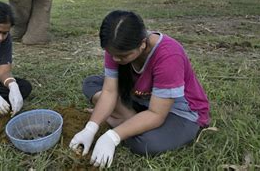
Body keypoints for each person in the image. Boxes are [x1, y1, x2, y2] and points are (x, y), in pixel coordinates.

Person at [69, 10, 210, 168]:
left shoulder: (169, 56)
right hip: (142, 96)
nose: (115, 59)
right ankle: (131, 120)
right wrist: (91, 127)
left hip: (177, 111)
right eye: (112, 54)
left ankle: (122, 120)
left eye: (123, 56)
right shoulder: (116, 47)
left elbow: (157, 114)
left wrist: (112, 137)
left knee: (146, 143)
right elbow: (109, 91)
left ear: (143, 43)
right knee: (91, 83)